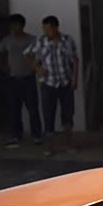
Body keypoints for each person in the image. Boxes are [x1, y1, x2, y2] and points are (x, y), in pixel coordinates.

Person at [25, 16, 79, 156]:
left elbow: (74, 60)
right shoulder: (41, 41)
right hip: (48, 83)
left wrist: (74, 79)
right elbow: (27, 55)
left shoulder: (67, 41)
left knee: (68, 114)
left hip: (65, 82)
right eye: (44, 29)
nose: (46, 32)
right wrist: (37, 68)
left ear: (56, 28)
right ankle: (49, 147)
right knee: (48, 114)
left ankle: (69, 144)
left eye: (49, 29)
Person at [0, 13, 42, 148]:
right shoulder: (6, 40)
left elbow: (40, 55)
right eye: (11, 26)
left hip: (28, 78)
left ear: (22, 26)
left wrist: (35, 68)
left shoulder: (32, 39)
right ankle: (16, 135)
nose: (13, 28)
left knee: (32, 108)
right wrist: (4, 68)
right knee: (14, 109)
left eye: (16, 25)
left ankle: (37, 135)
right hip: (12, 79)